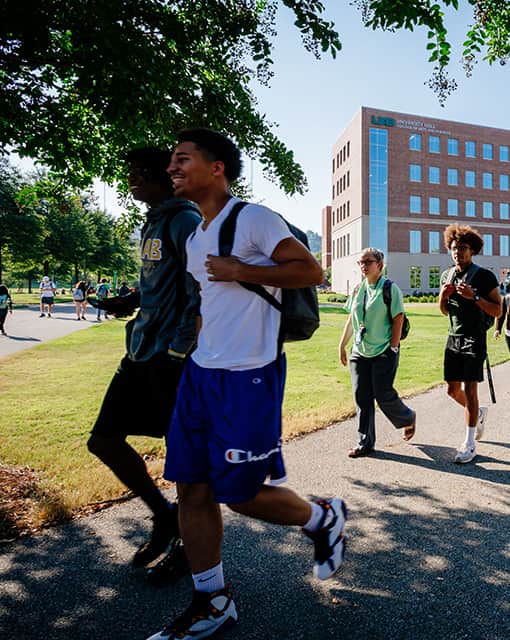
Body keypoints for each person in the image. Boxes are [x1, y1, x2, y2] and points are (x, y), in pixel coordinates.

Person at [149, 128, 339, 640]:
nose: (172, 168)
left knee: (243, 494)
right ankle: (212, 601)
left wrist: (241, 269)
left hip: (249, 376)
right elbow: (211, 306)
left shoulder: (252, 218)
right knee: (190, 487)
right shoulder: (193, 238)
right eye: (171, 161)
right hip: (201, 375)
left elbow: (311, 270)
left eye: (182, 160)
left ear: (217, 168)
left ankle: (321, 517)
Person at [86, 148, 202, 584]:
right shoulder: (154, 220)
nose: (131, 179)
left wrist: (178, 351)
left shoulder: (183, 221)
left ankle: (192, 551)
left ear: (162, 177)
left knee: (184, 463)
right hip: (139, 350)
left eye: (139, 173)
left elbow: (199, 290)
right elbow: (161, 281)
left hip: (168, 359)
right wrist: (132, 300)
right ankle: (163, 515)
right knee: (103, 439)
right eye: (129, 171)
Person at [338, 247, 416, 458]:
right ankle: (365, 443)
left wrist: (393, 347)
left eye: (368, 262)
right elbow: (352, 319)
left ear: (379, 265)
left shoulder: (390, 289)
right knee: (361, 397)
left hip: (383, 350)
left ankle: (407, 418)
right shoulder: (357, 290)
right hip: (359, 351)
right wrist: (342, 344)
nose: (363, 266)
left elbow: (398, 317)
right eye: (360, 262)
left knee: (382, 394)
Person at [438, 224, 501, 465]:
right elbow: (444, 311)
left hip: (474, 338)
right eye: (454, 249)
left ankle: (469, 442)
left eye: (462, 248)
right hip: (453, 337)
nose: (458, 253)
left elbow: (498, 309)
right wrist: (443, 297)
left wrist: (474, 297)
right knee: (453, 390)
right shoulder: (447, 275)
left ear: (472, 250)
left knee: (471, 389)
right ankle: (478, 412)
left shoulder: (484, 276)